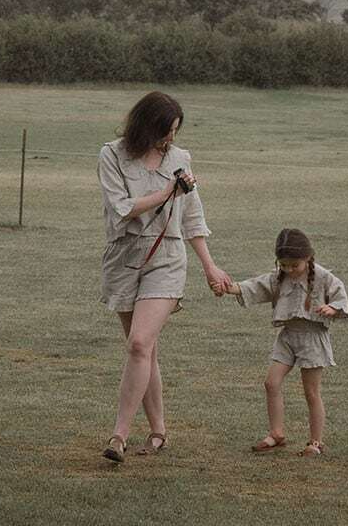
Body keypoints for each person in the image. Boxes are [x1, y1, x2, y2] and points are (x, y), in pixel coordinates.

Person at [97, 90, 232, 463]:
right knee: (145, 350)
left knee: (139, 343)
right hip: (124, 257)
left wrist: (210, 266)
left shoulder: (179, 158)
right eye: (165, 130)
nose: (170, 138)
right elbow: (122, 208)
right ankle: (158, 432)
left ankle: (119, 436)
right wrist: (167, 191)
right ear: (145, 126)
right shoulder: (111, 155)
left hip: (167, 258)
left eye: (175, 130)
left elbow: (191, 216)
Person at [216, 227, 348, 457]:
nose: (289, 269)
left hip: (312, 338)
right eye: (284, 264)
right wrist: (229, 287)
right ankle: (276, 434)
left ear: (308, 257)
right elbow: (254, 286)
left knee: (311, 392)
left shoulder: (323, 277)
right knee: (271, 383)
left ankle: (315, 442)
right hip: (287, 336)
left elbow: (340, 298)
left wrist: (333, 308)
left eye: (294, 265)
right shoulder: (279, 277)